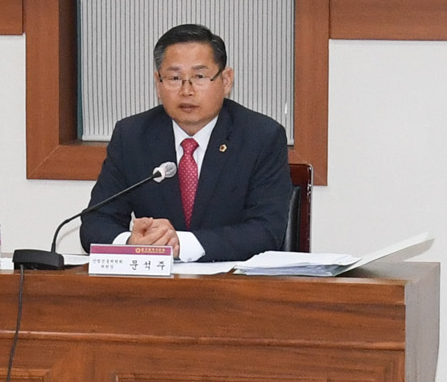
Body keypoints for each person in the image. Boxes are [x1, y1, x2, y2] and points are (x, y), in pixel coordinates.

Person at [80, 24, 295, 265]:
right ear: (158, 84)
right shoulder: (132, 136)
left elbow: (266, 231)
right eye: (174, 78)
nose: (186, 90)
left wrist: (182, 244)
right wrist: (131, 244)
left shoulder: (261, 137)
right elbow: (95, 224)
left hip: (233, 291)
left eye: (199, 77)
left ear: (226, 81)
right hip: (154, 292)